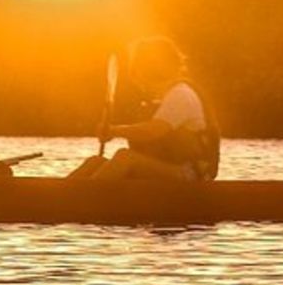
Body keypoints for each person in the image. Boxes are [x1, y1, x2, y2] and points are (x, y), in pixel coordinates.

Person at [70, 37, 220, 181]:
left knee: (125, 158)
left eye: (140, 72)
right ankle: (58, 195)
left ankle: (85, 200)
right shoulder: (166, 97)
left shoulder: (181, 94)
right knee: (95, 162)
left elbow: (152, 131)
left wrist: (113, 131)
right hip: (169, 169)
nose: (140, 83)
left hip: (191, 174)